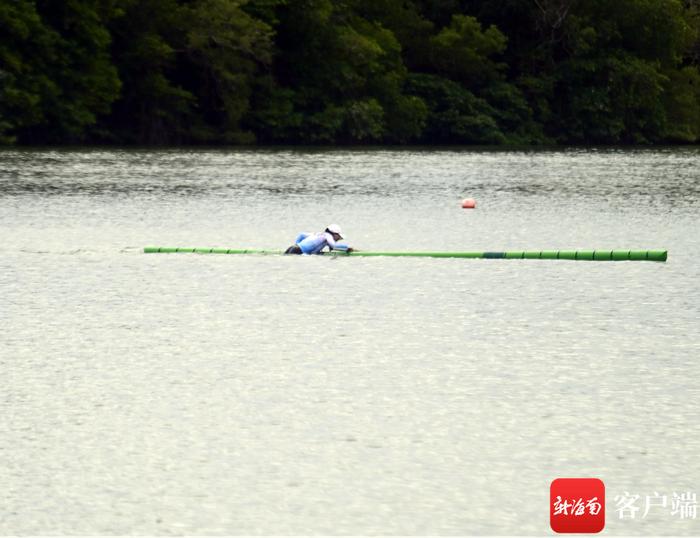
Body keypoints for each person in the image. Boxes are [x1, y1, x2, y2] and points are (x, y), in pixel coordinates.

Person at [284, 224, 353, 255]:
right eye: (338, 237)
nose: (339, 239)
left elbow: (301, 235)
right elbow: (334, 245)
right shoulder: (327, 236)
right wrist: (347, 248)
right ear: (334, 234)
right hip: (297, 251)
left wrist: (297, 244)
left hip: (293, 248)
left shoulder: (318, 234)